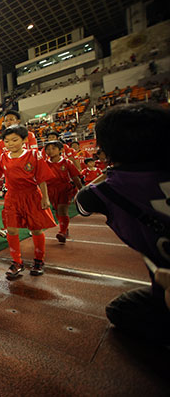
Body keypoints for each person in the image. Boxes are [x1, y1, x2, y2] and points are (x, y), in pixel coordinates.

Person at [75, 103, 170, 345]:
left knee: (121, 309)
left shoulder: (106, 191)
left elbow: (82, 203)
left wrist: (110, 170)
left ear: (106, 150)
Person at [0, 125, 57, 278]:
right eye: (6, 141)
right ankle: (16, 262)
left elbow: (42, 178)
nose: (10, 144)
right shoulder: (3, 157)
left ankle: (39, 260)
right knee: (12, 229)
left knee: (36, 230)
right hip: (12, 197)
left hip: (32, 196)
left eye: (14, 140)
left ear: (25, 140)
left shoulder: (34, 155)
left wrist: (45, 197)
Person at [0, 110, 38, 239]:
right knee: (8, 205)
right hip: (10, 179)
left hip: (28, 178)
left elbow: (34, 155)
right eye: (6, 120)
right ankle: (7, 228)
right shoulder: (2, 142)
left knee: (31, 206)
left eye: (12, 119)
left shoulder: (29, 136)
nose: (9, 122)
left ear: (18, 121)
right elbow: (1, 161)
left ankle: (33, 226)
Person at [43, 141, 83, 244]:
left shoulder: (67, 162)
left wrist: (81, 190)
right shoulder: (44, 164)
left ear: (61, 150)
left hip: (65, 189)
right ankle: (64, 226)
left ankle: (62, 231)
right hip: (51, 190)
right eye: (48, 149)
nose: (50, 151)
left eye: (53, 148)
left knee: (62, 209)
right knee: (57, 210)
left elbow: (75, 177)